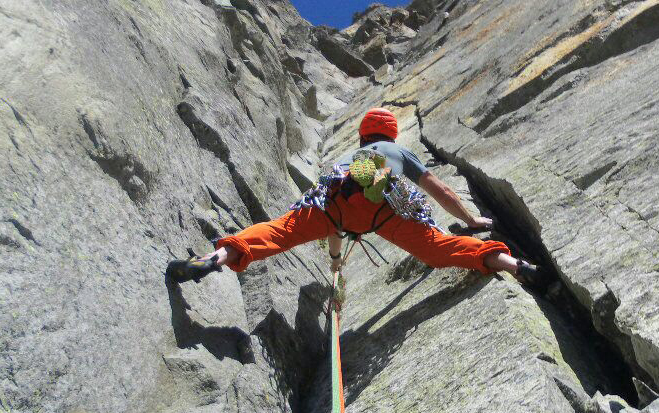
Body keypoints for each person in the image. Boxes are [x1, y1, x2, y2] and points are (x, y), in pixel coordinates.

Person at [167, 108, 542, 285]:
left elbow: (334, 227)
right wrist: (472, 220)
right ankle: (513, 264)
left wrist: (335, 261)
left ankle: (216, 257)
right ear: (390, 137)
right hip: (386, 209)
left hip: (334, 199)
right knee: (437, 249)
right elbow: (440, 191)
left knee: (276, 233)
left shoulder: (348, 155)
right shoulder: (397, 151)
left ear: (363, 136)